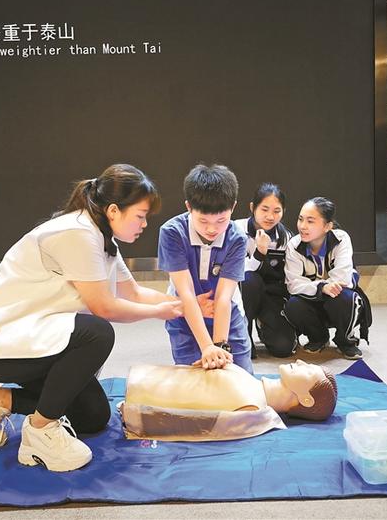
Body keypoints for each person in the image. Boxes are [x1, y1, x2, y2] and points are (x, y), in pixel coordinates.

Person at [0, 164, 185, 472]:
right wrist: (160, 312)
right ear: (114, 210)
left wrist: (184, 304)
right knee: (97, 333)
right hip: (2, 344)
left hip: (38, 336)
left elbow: (135, 293)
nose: (144, 224)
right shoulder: (78, 234)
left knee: (92, 416)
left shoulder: (102, 238)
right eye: (140, 216)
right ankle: (40, 433)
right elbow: (105, 308)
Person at [157, 164, 252, 373]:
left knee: (241, 379)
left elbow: (224, 297)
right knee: (193, 381)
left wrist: (219, 346)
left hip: (228, 315)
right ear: (188, 207)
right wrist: (206, 346)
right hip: (185, 314)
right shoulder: (172, 232)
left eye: (221, 220)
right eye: (203, 220)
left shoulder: (237, 238)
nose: (212, 229)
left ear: (233, 207)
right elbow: (186, 293)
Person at [119, 360, 337, 441]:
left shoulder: (251, 408)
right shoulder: (250, 386)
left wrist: (137, 416)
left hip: (143, 395)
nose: (300, 361)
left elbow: (191, 422)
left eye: (309, 371)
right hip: (146, 380)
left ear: (306, 400)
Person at [284, 197, 372, 360]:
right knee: (293, 304)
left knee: (344, 296)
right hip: (312, 299)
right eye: (301, 219)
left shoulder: (341, 239)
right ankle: (318, 338)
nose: (302, 226)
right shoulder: (293, 245)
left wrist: (323, 287)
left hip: (338, 299)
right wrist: (321, 287)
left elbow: (343, 278)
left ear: (327, 226)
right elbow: (293, 284)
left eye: (310, 221)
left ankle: (346, 341)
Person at [234, 183, 295, 359]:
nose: (270, 216)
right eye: (264, 209)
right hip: (242, 294)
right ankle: (243, 332)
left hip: (271, 295)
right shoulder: (236, 230)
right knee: (249, 279)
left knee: (283, 347)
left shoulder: (286, 238)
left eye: (277, 211)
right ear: (252, 207)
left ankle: (263, 323)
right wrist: (260, 253)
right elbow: (238, 272)